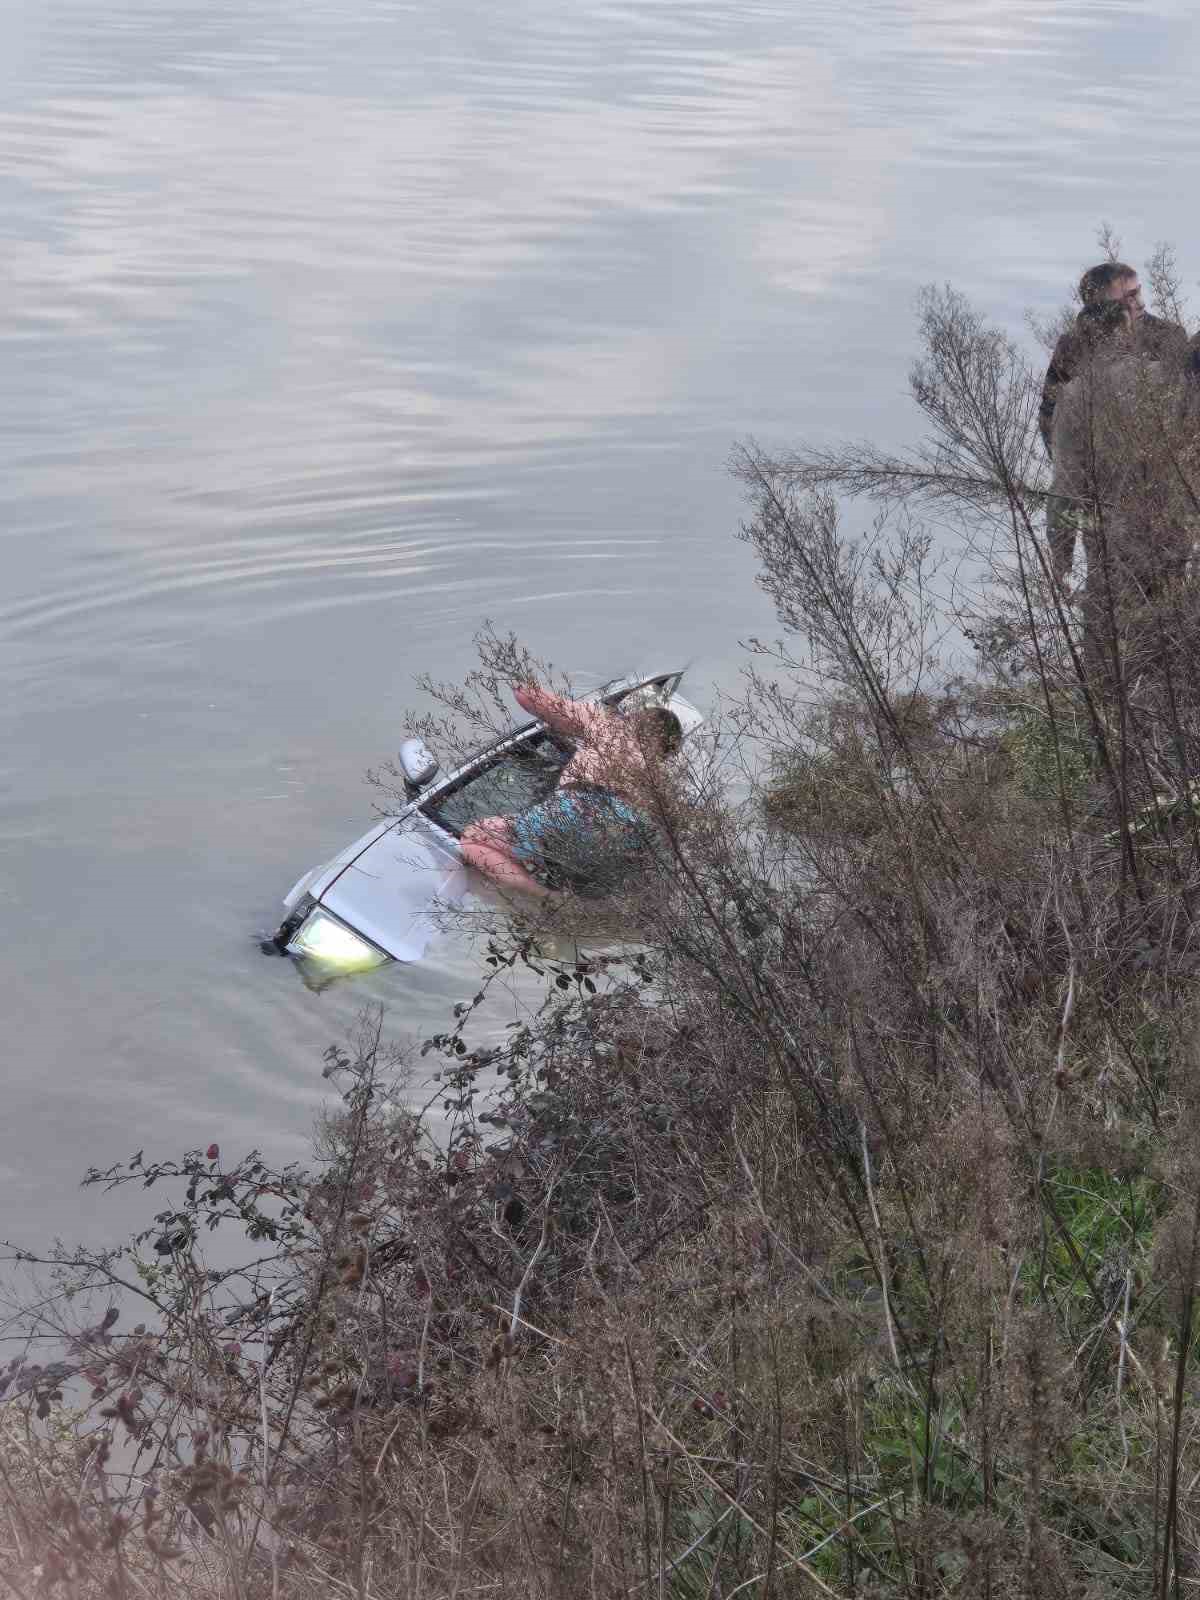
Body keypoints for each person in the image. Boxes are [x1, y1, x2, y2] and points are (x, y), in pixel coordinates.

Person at [460, 683, 683, 898]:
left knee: (474, 835)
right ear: (668, 751)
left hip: (574, 810)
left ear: (635, 719)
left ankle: (545, 895)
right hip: (622, 832)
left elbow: (528, 697)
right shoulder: (662, 779)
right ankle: (594, 901)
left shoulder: (606, 722)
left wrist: (517, 680)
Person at [1039, 261, 1186, 458]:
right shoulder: (1073, 345)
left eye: (1138, 291)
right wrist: (1070, 467)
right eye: (1130, 297)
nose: (1141, 303)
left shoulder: (1168, 335)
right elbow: (1050, 410)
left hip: (1164, 467)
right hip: (1094, 472)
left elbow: (1188, 407)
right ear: (1101, 307)